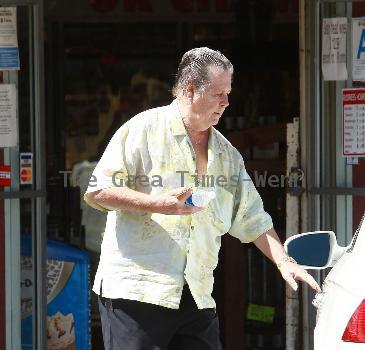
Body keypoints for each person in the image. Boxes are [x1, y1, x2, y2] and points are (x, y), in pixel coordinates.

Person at [84, 47, 321, 350]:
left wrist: (284, 261)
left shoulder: (226, 154)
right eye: (218, 94)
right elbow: (99, 190)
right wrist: (159, 205)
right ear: (190, 90)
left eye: (228, 93)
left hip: (196, 293)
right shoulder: (143, 130)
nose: (226, 102)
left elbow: (252, 217)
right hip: (137, 291)